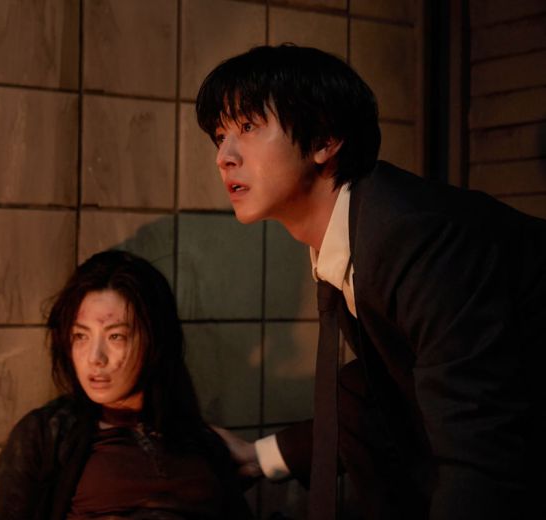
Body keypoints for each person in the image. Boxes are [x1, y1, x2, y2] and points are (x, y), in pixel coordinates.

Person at [194, 44, 546, 519]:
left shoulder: (412, 236)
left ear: (325, 138)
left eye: (248, 127)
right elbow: (378, 389)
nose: (224, 156)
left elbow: (481, 453)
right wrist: (260, 457)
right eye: (220, 136)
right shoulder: (353, 232)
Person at [0, 250, 253, 520]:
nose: (95, 358)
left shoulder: (199, 439)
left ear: (154, 340)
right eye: (80, 336)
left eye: (116, 336)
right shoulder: (47, 435)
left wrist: (252, 455)